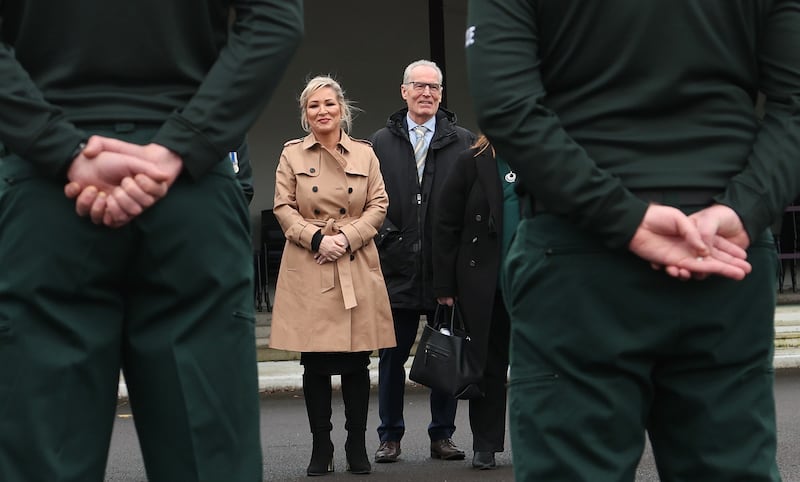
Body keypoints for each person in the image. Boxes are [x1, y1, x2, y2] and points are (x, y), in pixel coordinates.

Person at [466, 1, 800, 481]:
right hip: (721, 252)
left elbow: (507, 107)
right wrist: (744, 207)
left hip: (576, 254)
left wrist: (623, 217)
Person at [0, 2, 302, 481]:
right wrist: (181, 144)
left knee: (42, 453)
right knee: (210, 458)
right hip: (188, 189)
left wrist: (59, 147)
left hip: (48, 193)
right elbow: (275, 18)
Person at [269, 76, 396, 477]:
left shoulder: (365, 154)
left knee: (357, 364)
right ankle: (320, 447)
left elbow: (379, 203)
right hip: (311, 266)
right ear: (306, 115)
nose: (322, 111)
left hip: (355, 263)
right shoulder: (291, 155)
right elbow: (283, 207)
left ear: (342, 109)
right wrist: (317, 239)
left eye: (329, 104)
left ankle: (356, 445)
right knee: (316, 365)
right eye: (313, 106)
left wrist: (347, 238)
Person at [370, 59, 476, 463]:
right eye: (419, 86)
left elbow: (471, 203)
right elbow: (368, 201)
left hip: (443, 270)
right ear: (404, 91)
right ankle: (390, 436)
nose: (426, 93)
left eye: (434, 87)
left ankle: (442, 435)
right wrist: (384, 241)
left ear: (441, 94)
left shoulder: (461, 140)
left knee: (445, 352)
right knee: (391, 357)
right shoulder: (381, 141)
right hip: (394, 269)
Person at [432, 135, 516, 470]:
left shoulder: (544, 160)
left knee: (540, 370)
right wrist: (444, 285)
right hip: (487, 285)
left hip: (537, 285)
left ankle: (539, 443)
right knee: (488, 368)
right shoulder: (472, 161)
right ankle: (486, 444)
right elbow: (445, 224)